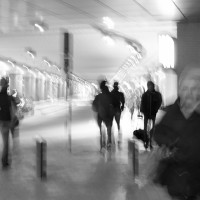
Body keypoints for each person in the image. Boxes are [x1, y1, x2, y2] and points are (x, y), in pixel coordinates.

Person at [153, 65, 200, 200]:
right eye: (185, 89)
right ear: (180, 90)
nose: (189, 93)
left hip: (196, 178)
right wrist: (167, 144)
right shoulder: (172, 111)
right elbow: (157, 132)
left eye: (194, 88)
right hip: (176, 178)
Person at [92, 80, 115, 149]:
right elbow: (115, 104)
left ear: (101, 89)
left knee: (101, 127)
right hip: (109, 116)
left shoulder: (98, 96)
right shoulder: (111, 96)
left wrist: (97, 109)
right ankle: (109, 141)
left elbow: (94, 106)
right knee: (109, 128)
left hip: (101, 115)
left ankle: (102, 140)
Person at [140, 81, 162, 149]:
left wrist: (156, 109)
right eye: (149, 86)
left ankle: (150, 141)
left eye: (151, 86)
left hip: (153, 113)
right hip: (146, 114)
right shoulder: (145, 95)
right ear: (148, 86)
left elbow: (159, 101)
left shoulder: (157, 94)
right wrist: (142, 111)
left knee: (153, 128)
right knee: (145, 128)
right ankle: (146, 141)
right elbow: (142, 103)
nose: (150, 87)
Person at [0, 77, 13, 168]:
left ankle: (5, 160)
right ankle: (4, 161)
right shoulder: (8, 98)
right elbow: (11, 110)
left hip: (2, 121)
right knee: (6, 144)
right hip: (6, 122)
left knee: (6, 143)